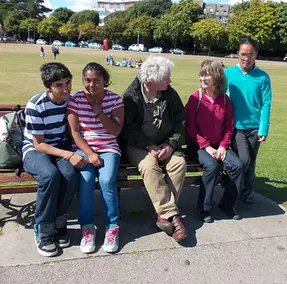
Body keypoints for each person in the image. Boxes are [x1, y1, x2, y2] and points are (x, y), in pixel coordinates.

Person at [120, 55, 188, 243]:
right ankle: (173, 217)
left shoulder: (170, 94)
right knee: (149, 167)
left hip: (166, 144)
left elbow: (181, 122)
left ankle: (163, 215)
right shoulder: (130, 97)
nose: (170, 80)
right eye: (166, 77)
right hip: (138, 146)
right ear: (152, 80)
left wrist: (170, 144)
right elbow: (128, 129)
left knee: (179, 164)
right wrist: (148, 146)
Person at [22, 62, 86, 257]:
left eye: (68, 82)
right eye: (59, 85)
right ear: (48, 87)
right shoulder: (36, 104)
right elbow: (39, 144)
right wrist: (69, 154)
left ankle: (59, 222)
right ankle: (42, 229)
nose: (66, 88)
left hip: (61, 149)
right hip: (35, 150)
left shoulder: (71, 101)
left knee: (69, 175)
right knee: (49, 176)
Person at [67, 62, 124, 254]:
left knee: (107, 180)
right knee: (86, 179)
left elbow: (115, 131)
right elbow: (75, 132)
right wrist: (90, 154)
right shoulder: (75, 100)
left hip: (108, 147)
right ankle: (87, 227)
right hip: (83, 148)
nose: (91, 85)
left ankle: (112, 227)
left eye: (96, 81)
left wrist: (99, 112)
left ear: (105, 81)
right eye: (87, 80)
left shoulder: (114, 100)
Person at [185, 59, 244, 223]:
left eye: (207, 75)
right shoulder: (194, 98)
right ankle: (204, 208)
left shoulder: (225, 100)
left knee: (238, 166)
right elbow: (189, 127)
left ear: (217, 78)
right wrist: (206, 147)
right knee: (211, 166)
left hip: (220, 146)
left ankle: (227, 204)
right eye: (201, 75)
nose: (203, 79)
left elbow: (229, 127)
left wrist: (224, 146)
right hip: (198, 146)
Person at [225, 37, 272, 204]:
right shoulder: (229, 73)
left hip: (255, 128)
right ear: (237, 54)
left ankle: (247, 192)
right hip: (236, 127)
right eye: (243, 54)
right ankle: (233, 190)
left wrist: (263, 128)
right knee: (243, 161)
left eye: (250, 54)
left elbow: (266, 103)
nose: (246, 58)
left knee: (251, 163)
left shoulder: (263, 77)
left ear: (256, 54)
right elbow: (219, 98)